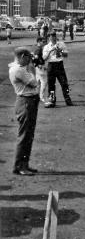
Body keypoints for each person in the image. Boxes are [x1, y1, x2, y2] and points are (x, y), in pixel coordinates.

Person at [9, 47, 40, 176]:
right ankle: (19, 166)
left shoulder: (18, 68)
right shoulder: (18, 70)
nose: (29, 60)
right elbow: (34, 83)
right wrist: (32, 67)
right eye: (27, 58)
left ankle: (24, 164)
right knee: (24, 136)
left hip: (28, 101)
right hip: (26, 102)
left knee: (28, 135)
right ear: (22, 56)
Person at [42, 32, 72, 107]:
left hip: (59, 64)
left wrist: (60, 51)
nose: (52, 38)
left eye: (54, 36)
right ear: (49, 38)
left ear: (56, 37)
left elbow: (66, 55)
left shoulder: (61, 44)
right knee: (51, 84)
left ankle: (68, 99)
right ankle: (52, 100)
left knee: (64, 83)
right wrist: (50, 51)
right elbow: (44, 58)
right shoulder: (46, 47)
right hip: (51, 65)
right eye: (51, 36)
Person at [32, 37, 49, 106]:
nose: (44, 43)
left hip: (38, 68)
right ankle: (41, 97)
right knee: (44, 82)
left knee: (38, 83)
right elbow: (34, 59)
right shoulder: (38, 49)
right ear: (39, 42)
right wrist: (38, 65)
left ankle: (36, 97)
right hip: (40, 68)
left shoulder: (38, 49)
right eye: (43, 41)